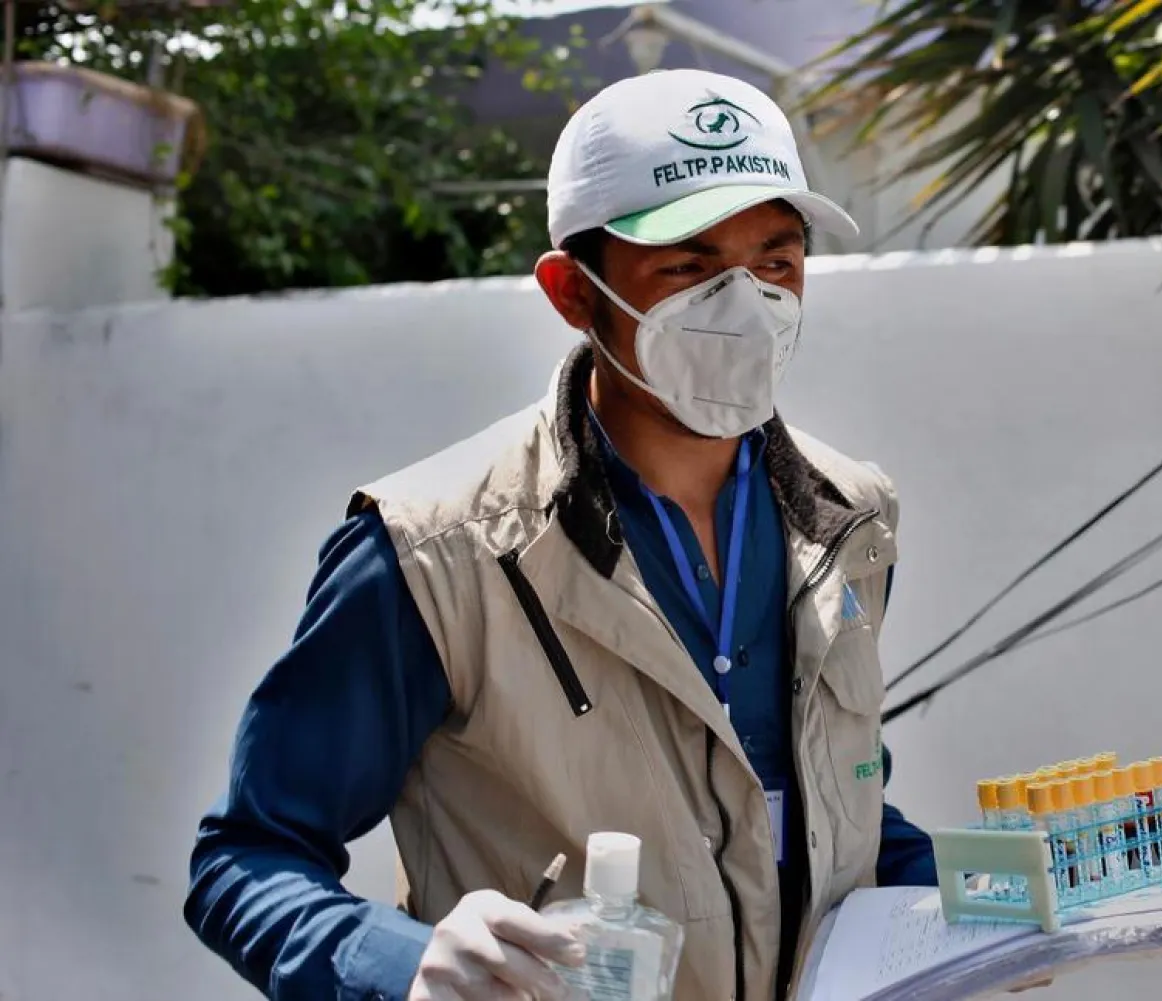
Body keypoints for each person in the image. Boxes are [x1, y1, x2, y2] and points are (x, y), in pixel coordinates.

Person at [183, 68, 939, 1001]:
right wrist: (404, 963)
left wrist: (982, 916)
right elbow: (246, 858)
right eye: (689, 267)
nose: (745, 305)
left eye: (776, 262)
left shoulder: (848, 516)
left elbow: (822, 809)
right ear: (571, 291)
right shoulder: (433, 556)